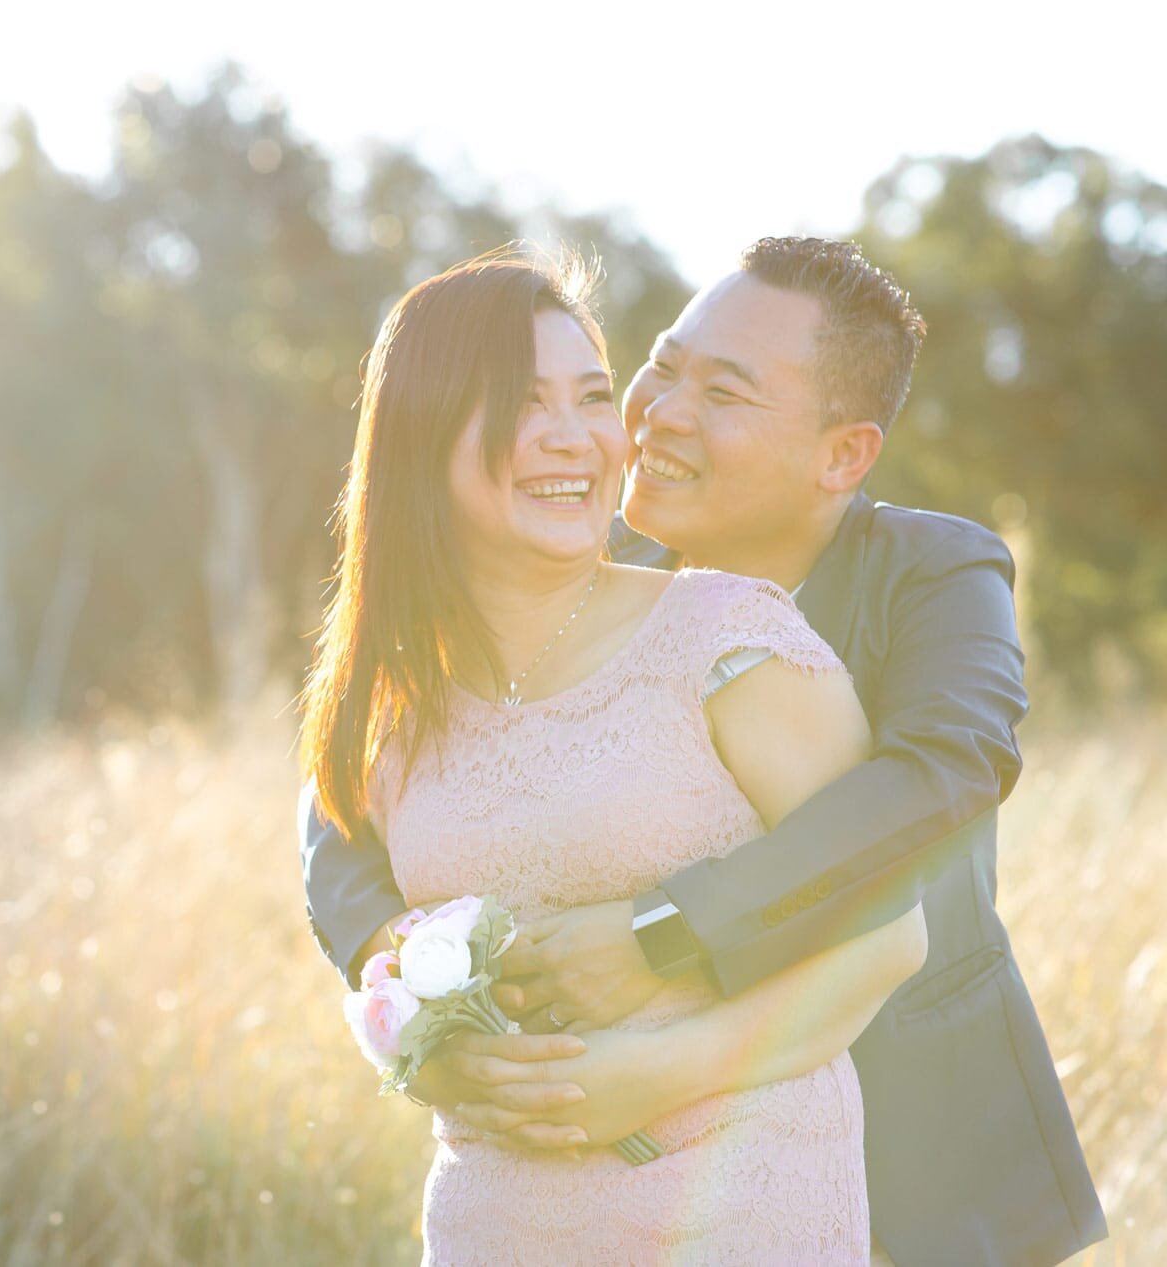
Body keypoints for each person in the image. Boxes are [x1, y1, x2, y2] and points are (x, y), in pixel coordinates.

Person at [301, 238, 1107, 1265]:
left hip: (911, 1135)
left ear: (840, 456)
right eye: (661, 366)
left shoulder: (929, 572)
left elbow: (939, 778)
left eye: (720, 393)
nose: (657, 415)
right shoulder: (572, 565)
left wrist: (658, 935)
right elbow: (351, 793)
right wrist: (409, 1002)